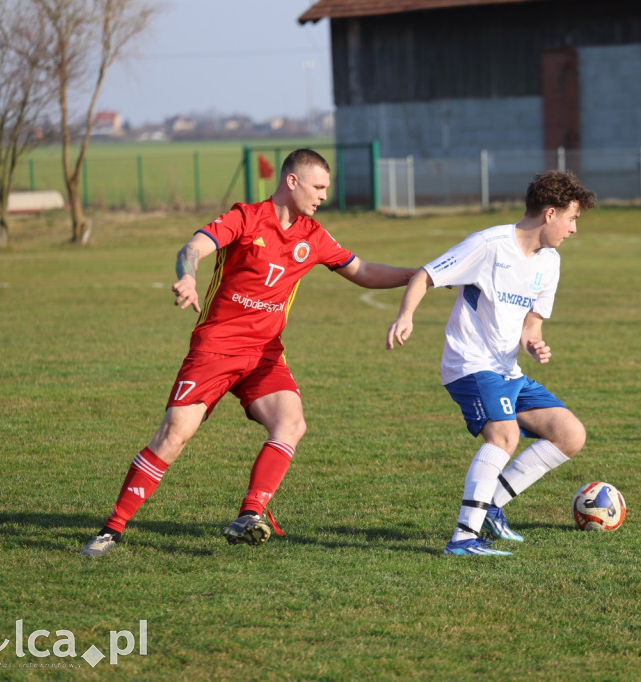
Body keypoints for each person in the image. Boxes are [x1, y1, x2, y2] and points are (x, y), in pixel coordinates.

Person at [81, 149, 417, 558]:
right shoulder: (245, 217)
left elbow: (361, 271)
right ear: (291, 182)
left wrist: (419, 275)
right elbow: (191, 248)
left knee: (291, 424)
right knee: (174, 435)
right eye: (318, 187)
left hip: (264, 355)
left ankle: (250, 514)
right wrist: (187, 278)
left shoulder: (313, 235)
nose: (324, 196)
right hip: (217, 348)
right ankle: (112, 529)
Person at [386, 170, 596, 556]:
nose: (574, 229)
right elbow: (426, 274)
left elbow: (532, 324)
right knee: (504, 437)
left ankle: (492, 505)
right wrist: (406, 316)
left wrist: (535, 344)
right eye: (572, 218)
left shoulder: (549, 262)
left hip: (507, 369)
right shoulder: (489, 245)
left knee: (570, 435)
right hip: (470, 363)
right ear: (550, 214)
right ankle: (464, 537)